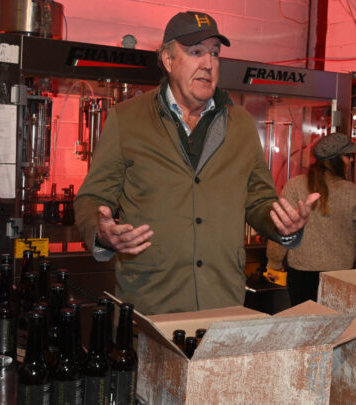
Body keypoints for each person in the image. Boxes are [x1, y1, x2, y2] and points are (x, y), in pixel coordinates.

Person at [74, 10, 319, 315]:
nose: (208, 63)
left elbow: (259, 200)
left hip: (223, 305)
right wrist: (101, 233)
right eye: (195, 52)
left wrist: (283, 227)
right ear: (167, 59)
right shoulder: (127, 120)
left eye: (214, 53)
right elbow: (91, 198)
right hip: (151, 307)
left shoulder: (241, 125)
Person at [265, 133, 356, 306]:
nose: (351, 160)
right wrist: (347, 256)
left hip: (301, 275)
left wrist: (274, 262)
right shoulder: (351, 191)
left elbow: (282, 227)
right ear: (335, 159)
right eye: (348, 156)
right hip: (340, 275)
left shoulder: (295, 185)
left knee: (305, 320)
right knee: (334, 322)